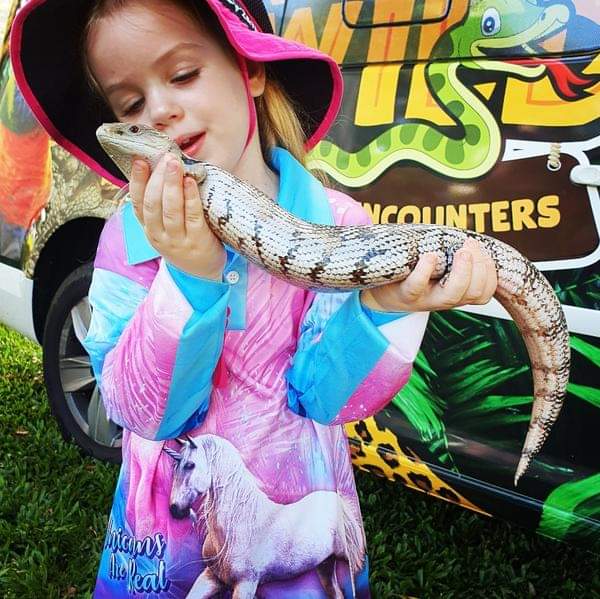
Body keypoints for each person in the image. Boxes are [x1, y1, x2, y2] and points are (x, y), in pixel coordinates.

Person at [11, 0, 497, 596]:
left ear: (253, 71)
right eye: (130, 106)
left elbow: (328, 400)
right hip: (164, 554)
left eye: (183, 74)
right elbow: (139, 412)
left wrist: (386, 307)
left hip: (304, 550)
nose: (158, 112)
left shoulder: (336, 223)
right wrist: (188, 278)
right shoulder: (128, 239)